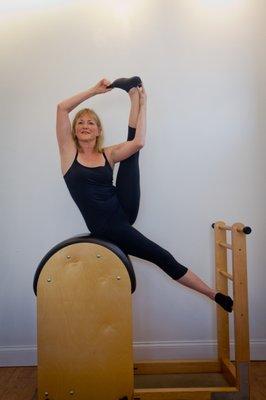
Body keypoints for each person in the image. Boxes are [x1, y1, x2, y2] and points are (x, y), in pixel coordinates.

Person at [56, 76, 233, 313]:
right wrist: (95, 91)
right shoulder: (69, 155)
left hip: (123, 207)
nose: (85, 126)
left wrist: (144, 105)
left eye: (91, 122)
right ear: (75, 131)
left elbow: (139, 141)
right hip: (108, 227)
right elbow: (62, 108)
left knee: (133, 150)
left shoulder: (108, 154)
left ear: (98, 130)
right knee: (162, 256)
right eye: (80, 123)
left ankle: (134, 97)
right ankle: (214, 294)